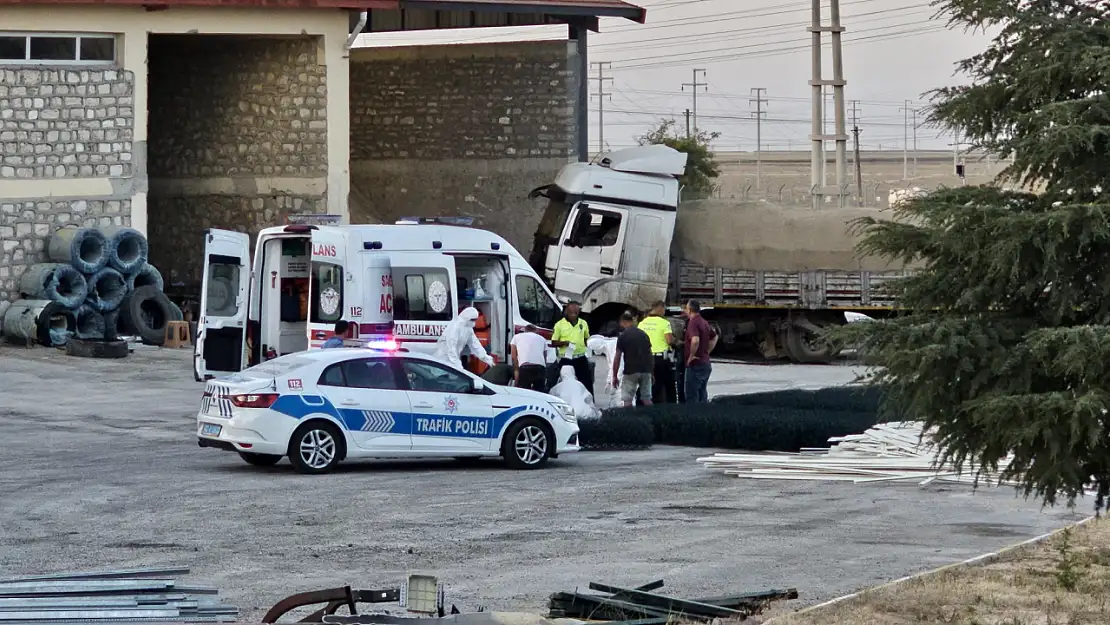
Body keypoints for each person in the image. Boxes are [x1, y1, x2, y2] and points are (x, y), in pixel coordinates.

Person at [550, 301, 593, 397]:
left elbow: (586, 338)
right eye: (571, 312)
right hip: (566, 358)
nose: (573, 315)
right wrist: (564, 343)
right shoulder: (559, 325)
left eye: (576, 313)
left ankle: (590, 404)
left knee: (587, 382)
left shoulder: (583, 323)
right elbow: (553, 342)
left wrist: (589, 352)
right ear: (566, 312)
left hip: (580, 357)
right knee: (564, 382)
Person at [613, 311, 653, 407]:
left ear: (623, 322)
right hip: (645, 370)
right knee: (647, 399)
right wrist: (651, 372)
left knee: (627, 400)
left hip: (630, 371)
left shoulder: (623, 336)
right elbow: (650, 355)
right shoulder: (644, 334)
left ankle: (630, 420)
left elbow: (617, 357)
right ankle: (653, 418)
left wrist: (614, 376)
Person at [638, 301, 676, 404]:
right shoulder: (664, 323)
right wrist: (678, 341)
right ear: (661, 308)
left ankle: (646, 406)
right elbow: (669, 340)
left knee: (648, 384)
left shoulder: (642, 323)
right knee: (668, 385)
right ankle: (671, 408)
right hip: (661, 359)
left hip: (646, 359)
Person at [682, 299, 717, 403]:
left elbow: (695, 340)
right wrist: (706, 352)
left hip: (695, 364)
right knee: (702, 394)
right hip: (705, 363)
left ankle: (693, 418)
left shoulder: (693, 323)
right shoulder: (704, 322)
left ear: (689, 309)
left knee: (692, 396)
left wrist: (691, 355)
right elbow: (714, 337)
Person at [511, 324, 549, 392]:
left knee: (524, 393)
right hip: (540, 368)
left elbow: (514, 356)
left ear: (525, 330)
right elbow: (545, 357)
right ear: (536, 331)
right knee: (539, 393)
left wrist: (517, 371)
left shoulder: (516, 337)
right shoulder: (542, 339)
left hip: (525, 367)